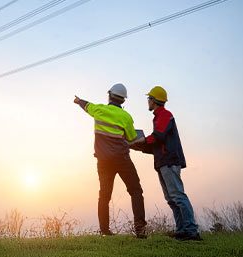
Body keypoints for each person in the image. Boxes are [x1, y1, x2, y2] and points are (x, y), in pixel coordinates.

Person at [74, 83, 147, 238]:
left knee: (104, 195)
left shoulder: (99, 110)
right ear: (123, 100)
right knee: (136, 191)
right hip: (122, 159)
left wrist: (78, 100)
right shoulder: (126, 117)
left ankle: (105, 231)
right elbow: (132, 138)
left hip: (103, 161)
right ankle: (140, 230)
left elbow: (87, 106)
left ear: (109, 95)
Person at [131, 86, 201, 241]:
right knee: (171, 198)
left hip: (169, 161)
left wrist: (141, 140)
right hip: (163, 162)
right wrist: (139, 146)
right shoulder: (158, 116)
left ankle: (191, 231)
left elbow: (158, 136)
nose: (147, 101)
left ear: (154, 100)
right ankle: (182, 229)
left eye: (149, 98)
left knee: (177, 195)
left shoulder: (165, 115)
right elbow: (158, 144)